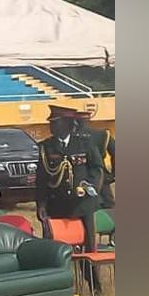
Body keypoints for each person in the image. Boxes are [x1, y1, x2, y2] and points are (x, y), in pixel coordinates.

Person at [37, 105, 107, 255]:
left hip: (83, 204)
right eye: (51, 123)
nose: (51, 126)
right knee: (58, 249)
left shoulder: (85, 143)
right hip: (58, 204)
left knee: (89, 248)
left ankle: (92, 277)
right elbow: (41, 180)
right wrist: (41, 205)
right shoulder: (46, 147)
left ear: (67, 124)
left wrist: (90, 188)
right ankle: (64, 276)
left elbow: (97, 168)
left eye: (55, 123)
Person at [75, 111, 115, 207]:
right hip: (101, 177)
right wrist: (113, 175)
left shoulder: (70, 136)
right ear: (89, 120)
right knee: (108, 208)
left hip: (78, 178)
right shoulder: (102, 134)